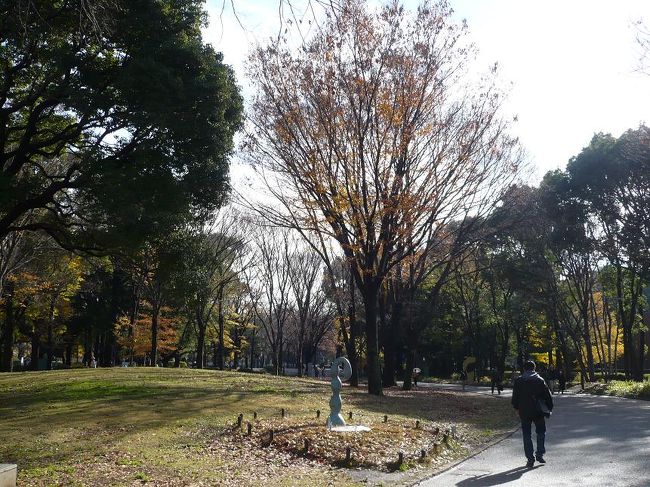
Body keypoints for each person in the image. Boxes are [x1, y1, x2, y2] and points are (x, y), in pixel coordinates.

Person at [511, 360, 553, 468]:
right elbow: (547, 396)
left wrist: (516, 408)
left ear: (524, 369)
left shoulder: (519, 381)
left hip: (524, 411)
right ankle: (540, 453)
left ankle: (530, 459)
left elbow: (515, 397)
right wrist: (549, 408)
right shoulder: (540, 380)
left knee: (526, 434)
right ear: (534, 368)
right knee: (541, 432)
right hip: (538, 411)